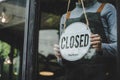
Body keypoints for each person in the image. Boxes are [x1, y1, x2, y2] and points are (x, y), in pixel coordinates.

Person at [54, 0, 117, 80]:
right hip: (73, 75)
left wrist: (101, 47)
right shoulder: (65, 17)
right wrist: (60, 56)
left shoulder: (107, 8)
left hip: (101, 74)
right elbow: (63, 61)